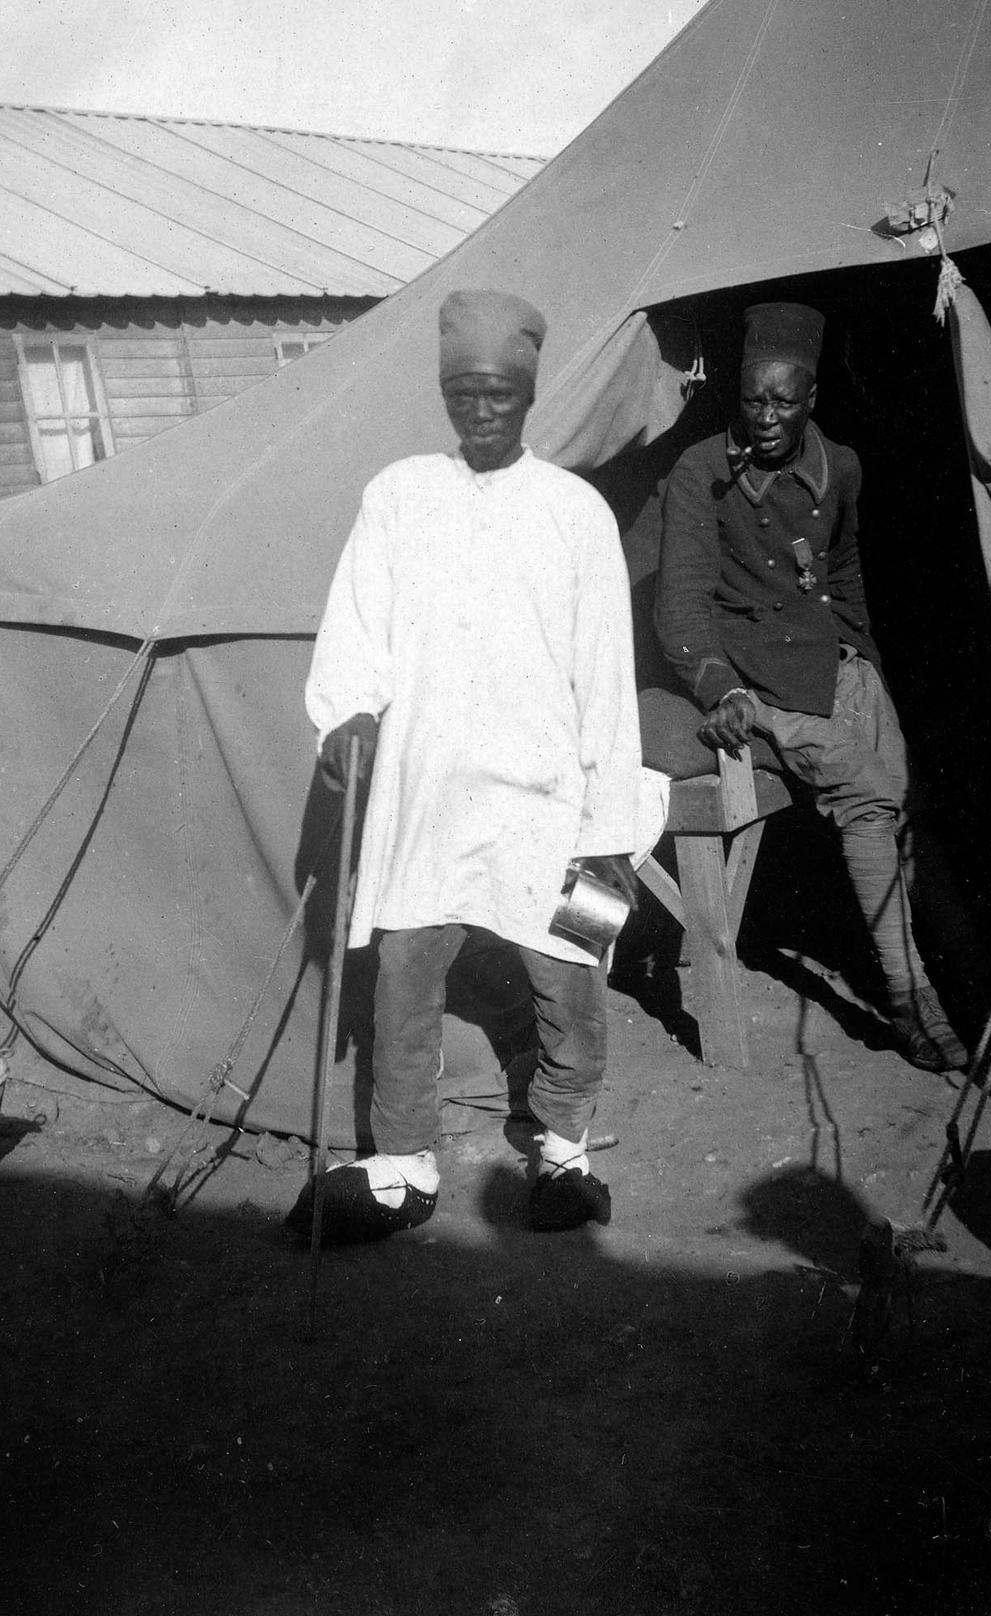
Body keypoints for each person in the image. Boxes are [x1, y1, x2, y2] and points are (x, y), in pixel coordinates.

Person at [287, 288, 645, 1244]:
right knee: (404, 971)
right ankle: (404, 1165)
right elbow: (356, 628)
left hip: (548, 796)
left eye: (499, 395)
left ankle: (564, 1152)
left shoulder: (575, 512)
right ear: (444, 395)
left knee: (571, 968)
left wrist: (608, 825)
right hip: (430, 790)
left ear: (527, 397)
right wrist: (347, 715)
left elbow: (607, 675)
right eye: (463, 394)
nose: (481, 412)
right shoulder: (398, 496)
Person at [654, 302, 969, 1074]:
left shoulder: (843, 468)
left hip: (837, 665)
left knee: (910, 799)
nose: (765, 418)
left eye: (783, 402)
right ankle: (912, 1002)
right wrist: (718, 686)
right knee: (868, 796)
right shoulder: (701, 472)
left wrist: (865, 665)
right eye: (752, 400)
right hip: (758, 682)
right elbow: (682, 605)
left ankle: (976, 983)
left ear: (811, 399)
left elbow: (845, 567)